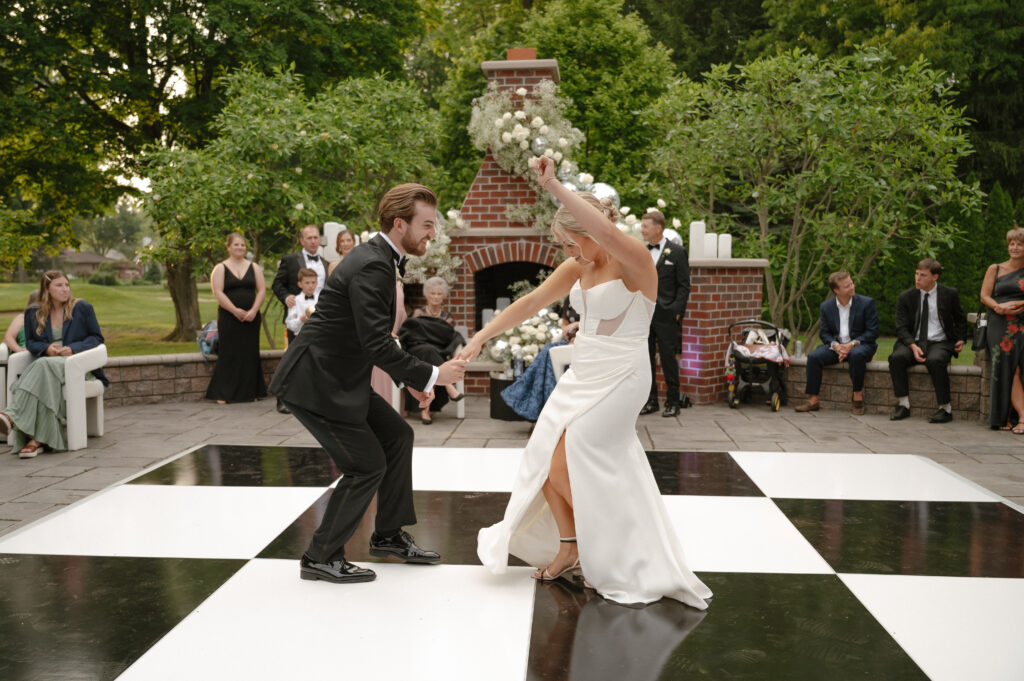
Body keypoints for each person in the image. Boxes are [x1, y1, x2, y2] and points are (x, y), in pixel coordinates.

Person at [458, 157, 711, 609]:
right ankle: (572, 546)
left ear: (592, 231)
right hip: (584, 372)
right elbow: (532, 301)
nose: (569, 252)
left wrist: (553, 184)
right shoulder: (578, 267)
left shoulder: (633, 259)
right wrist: (480, 336)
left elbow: (609, 235)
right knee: (545, 459)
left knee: (573, 455)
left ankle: (617, 548)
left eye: (572, 242)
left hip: (623, 375)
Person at [269, 183, 467, 584]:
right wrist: (433, 374)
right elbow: (376, 342)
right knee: (366, 465)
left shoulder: (378, 257)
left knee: (397, 436)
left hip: (339, 376)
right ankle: (320, 556)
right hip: (315, 382)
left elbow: (372, 336)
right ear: (400, 224)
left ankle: (388, 535)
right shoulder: (373, 264)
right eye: (426, 224)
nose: (433, 233)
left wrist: (408, 380)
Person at [0, 271, 107, 457]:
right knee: (45, 370)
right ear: (47, 289)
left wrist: (73, 348)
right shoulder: (33, 312)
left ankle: (11, 415)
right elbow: (32, 343)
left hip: (76, 366)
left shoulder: (82, 307)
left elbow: (96, 338)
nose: (65, 289)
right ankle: (37, 441)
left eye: (66, 285)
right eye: (59, 285)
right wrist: (47, 348)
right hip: (50, 366)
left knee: (41, 365)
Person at [888, 259, 967, 423]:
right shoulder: (905, 297)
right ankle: (903, 405)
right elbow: (901, 327)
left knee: (936, 360)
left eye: (923, 275)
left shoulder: (949, 294)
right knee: (897, 358)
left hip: (940, 341)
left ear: (935, 277)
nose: (917, 278)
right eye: (916, 274)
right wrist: (912, 345)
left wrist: (960, 339)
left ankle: (945, 409)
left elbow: (960, 319)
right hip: (912, 340)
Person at [795, 271, 879, 415]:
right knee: (814, 357)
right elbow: (824, 333)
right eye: (847, 286)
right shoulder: (826, 307)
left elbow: (872, 332)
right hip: (837, 347)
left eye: (851, 283)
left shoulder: (867, 303)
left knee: (856, 355)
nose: (852, 287)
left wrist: (851, 345)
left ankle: (857, 396)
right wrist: (836, 346)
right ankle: (813, 400)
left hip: (861, 345)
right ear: (836, 290)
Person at [638, 210, 691, 417]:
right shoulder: (642, 251)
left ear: (658, 228)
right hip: (644, 314)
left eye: (645, 226)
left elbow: (684, 285)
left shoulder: (677, 252)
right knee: (646, 359)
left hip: (667, 314)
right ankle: (651, 401)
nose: (642, 230)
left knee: (668, 358)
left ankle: (673, 401)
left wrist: (677, 311)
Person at [205, 233, 267, 404]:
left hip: (251, 318)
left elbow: (261, 290)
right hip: (229, 317)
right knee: (229, 353)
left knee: (250, 353)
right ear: (228, 247)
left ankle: (251, 392)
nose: (240, 248)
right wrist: (234, 310)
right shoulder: (220, 268)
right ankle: (224, 393)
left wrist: (254, 310)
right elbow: (218, 292)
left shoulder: (254, 267)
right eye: (236, 245)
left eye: (243, 245)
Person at [400, 276, 464, 423]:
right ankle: (449, 386)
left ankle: (425, 411)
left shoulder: (447, 318)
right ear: (426, 294)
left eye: (439, 294)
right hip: (417, 349)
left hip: (437, 352)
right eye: (432, 293)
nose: (435, 297)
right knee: (427, 352)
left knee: (429, 356)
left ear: (444, 296)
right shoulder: (417, 314)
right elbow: (408, 334)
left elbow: (446, 338)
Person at [980, 226, 1024, 431]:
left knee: (1018, 369)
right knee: (1003, 367)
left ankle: (1019, 418)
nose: (1015, 248)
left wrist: (1018, 306)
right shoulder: (995, 268)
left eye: (1020, 244)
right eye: (1012, 244)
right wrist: (998, 306)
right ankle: (1004, 418)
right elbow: (985, 295)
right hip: (998, 323)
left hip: (1021, 324)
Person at [284, 268, 320, 337]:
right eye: (307, 283)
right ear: (300, 284)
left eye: (313, 282)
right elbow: (289, 324)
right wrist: (300, 320)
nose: (310, 286)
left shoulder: (320, 300)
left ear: (317, 283)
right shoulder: (295, 301)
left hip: (318, 337)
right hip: (301, 336)